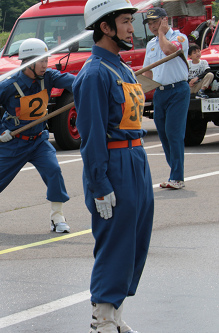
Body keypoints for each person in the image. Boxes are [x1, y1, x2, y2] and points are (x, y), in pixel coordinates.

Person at [73, 0, 154, 332]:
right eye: (125, 21)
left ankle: (115, 313)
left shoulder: (123, 68)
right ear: (105, 27)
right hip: (113, 163)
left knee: (136, 240)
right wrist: (100, 184)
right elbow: (91, 137)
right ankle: (102, 319)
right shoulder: (93, 74)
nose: (131, 28)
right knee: (115, 241)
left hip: (137, 158)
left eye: (131, 21)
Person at [0, 38, 74, 233]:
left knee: (54, 171)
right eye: (41, 61)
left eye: (46, 59)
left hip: (39, 140)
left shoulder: (48, 77)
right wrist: (1, 130)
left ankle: (57, 217)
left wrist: (94, 81)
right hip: (14, 142)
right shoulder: (9, 85)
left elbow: (74, 82)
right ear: (28, 63)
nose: (45, 64)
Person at [143, 7, 190, 189]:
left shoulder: (179, 38)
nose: (153, 26)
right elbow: (148, 72)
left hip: (177, 90)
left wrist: (163, 33)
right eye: (150, 23)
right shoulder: (151, 44)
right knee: (163, 134)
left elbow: (168, 50)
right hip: (160, 92)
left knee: (173, 133)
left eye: (156, 22)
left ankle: (177, 177)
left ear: (165, 20)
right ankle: (174, 173)